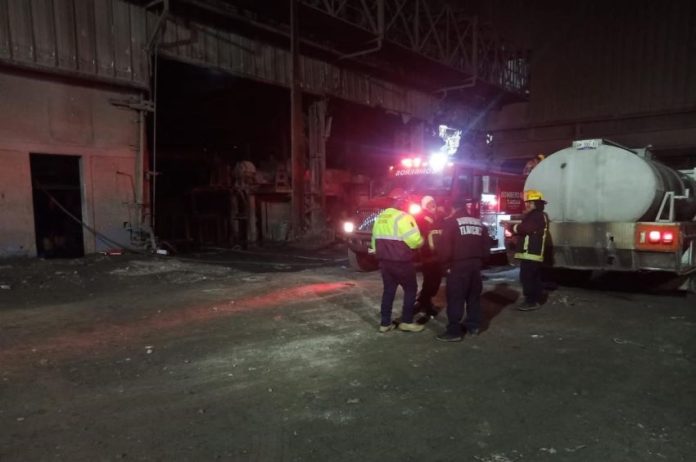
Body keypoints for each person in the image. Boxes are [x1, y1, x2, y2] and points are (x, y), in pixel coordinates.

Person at [435, 197, 490, 342]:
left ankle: (454, 332)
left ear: (452, 208)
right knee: (473, 297)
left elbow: (445, 249)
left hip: (457, 266)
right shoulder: (478, 223)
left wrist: (444, 265)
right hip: (475, 266)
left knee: (455, 298)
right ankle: (474, 326)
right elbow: (486, 248)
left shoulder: (451, 223)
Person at [370, 197, 425, 333]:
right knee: (411, 289)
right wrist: (422, 241)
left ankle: (385, 323)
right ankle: (406, 321)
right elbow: (414, 240)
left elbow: (374, 241)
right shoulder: (403, 217)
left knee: (389, 290)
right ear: (402, 206)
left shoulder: (380, 218)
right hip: (401, 262)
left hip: (384, 262)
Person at [510, 189, 551, 311]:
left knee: (527, 277)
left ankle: (531, 301)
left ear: (536, 204)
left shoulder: (536, 215)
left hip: (531, 253)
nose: (527, 204)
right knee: (533, 277)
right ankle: (535, 299)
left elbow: (525, 229)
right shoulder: (537, 215)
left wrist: (512, 227)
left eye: (530, 202)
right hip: (530, 253)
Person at [414, 195, 443, 318]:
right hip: (428, 254)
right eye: (431, 203)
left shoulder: (437, 216)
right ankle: (425, 304)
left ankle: (422, 301)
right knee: (431, 280)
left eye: (434, 202)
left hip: (437, 254)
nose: (433, 205)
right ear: (425, 205)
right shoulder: (421, 218)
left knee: (433, 281)